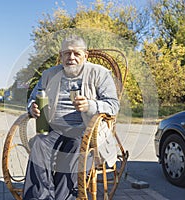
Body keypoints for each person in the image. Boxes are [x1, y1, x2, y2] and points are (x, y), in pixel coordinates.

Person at [23, 35, 120, 200]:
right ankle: (40, 197)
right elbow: (33, 98)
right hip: (53, 128)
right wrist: (32, 108)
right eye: (66, 53)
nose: (71, 58)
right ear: (60, 56)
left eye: (76, 53)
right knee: (39, 143)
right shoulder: (49, 74)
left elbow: (113, 105)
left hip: (86, 129)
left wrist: (91, 105)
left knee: (75, 144)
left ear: (85, 55)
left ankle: (64, 197)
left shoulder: (100, 73)